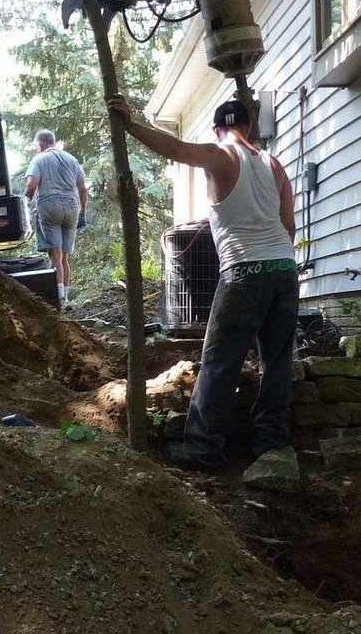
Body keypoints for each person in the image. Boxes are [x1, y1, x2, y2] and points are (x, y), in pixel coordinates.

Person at [107, 94, 300, 487]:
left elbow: (175, 148)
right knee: (277, 361)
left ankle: (203, 449)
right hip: (284, 268)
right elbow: (288, 227)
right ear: (249, 127)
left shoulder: (220, 154)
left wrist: (130, 124)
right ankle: (270, 442)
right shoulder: (273, 164)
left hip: (245, 272)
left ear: (218, 129)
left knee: (219, 362)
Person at [24, 129, 88, 306]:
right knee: (64, 257)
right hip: (72, 206)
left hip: (50, 205)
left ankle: (58, 298)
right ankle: (65, 298)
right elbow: (82, 189)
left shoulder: (40, 158)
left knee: (55, 254)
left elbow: (31, 185)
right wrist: (82, 212)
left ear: (41, 144)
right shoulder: (71, 159)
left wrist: (24, 204)